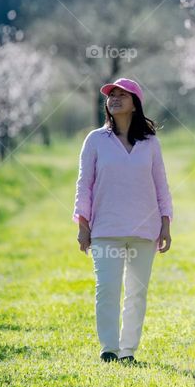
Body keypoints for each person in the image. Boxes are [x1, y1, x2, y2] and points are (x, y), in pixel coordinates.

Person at [72, 77, 173, 364]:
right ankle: (109, 348)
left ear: (135, 103)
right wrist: (83, 224)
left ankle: (128, 351)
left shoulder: (150, 142)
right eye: (111, 95)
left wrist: (166, 223)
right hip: (106, 229)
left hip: (145, 230)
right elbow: (84, 185)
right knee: (107, 289)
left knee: (136, 294)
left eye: (121, 95)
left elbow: (161, 185)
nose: (114, 99)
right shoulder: (95, 140)